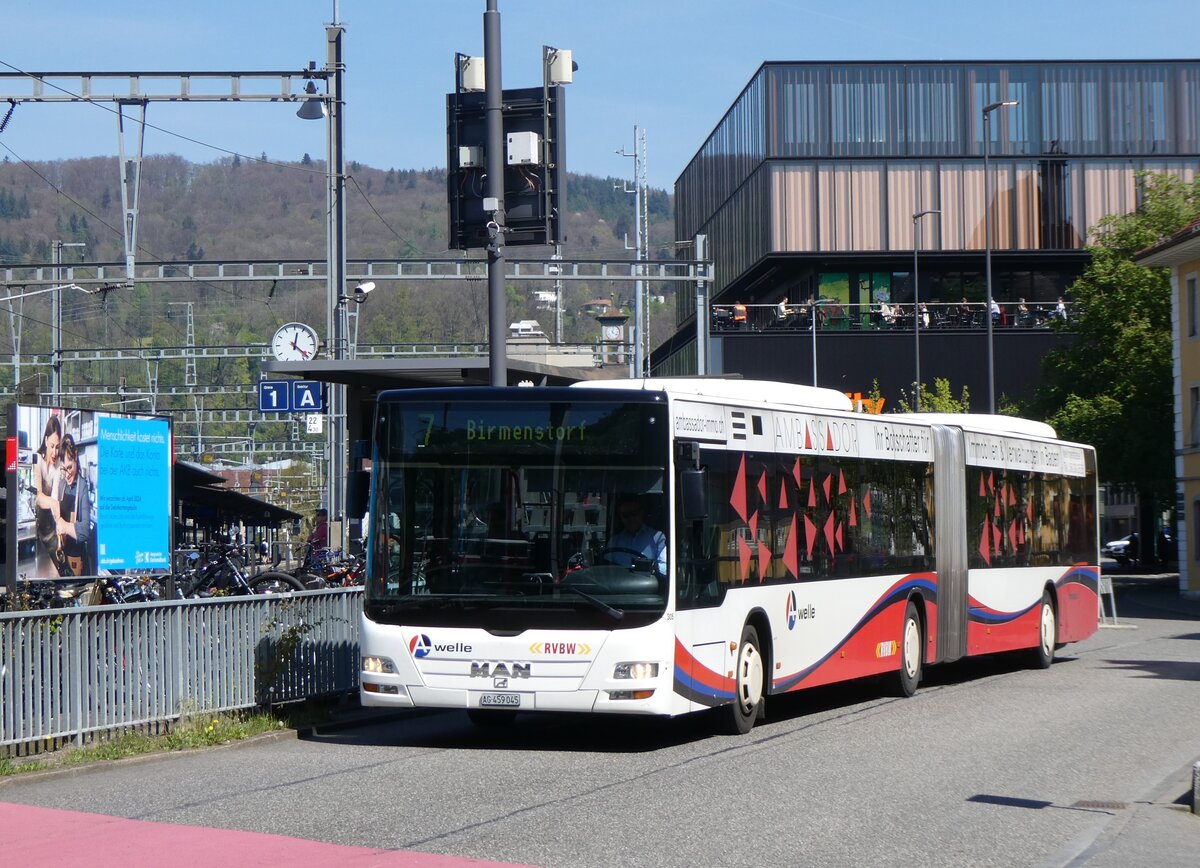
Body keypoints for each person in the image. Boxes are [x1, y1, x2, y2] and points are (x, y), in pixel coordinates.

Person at [55, 434, 92, 577]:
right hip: (63, 555)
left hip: (78, 561)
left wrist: (64, 526)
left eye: (69, 468)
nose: (67, 474)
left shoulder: (82, 486)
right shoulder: (62, 485)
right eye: (63, 469)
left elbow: (84, 532)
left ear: (75, 456)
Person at [606, 494, 667, 574]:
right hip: (618, 584)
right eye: (626, 515)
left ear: (642, 513)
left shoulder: (658, 538)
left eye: (634, 514)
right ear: (620, 517)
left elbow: (665, 568)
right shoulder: (614, 542)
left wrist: (652, 567)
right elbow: (606, 570)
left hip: (648, 584)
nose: (631, 519)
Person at [34, 414, 64, 565]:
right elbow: (39, 497)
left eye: (58, 447)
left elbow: (54, 496)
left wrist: (59, 525)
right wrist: (53, 503)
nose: (55, 452)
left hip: (51, 532)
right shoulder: (37, 460)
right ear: (46, 441)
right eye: (52, 446)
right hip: (37, 531)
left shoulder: (57, 467)